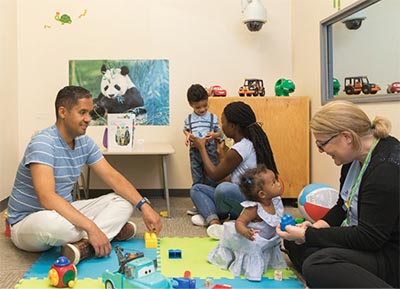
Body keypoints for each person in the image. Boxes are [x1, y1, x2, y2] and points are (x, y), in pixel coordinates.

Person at [7, 86, 162, 265]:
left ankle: (86, 245)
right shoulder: (43, 142)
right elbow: (46, 197)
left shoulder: (84, 142)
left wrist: (144, 206)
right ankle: (108, 231)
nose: (88, 119)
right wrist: (91, 226)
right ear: (63, 112)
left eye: (90, 112)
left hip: (65, 210)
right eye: (82, 112)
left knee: (125, 202)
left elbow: (113, 176)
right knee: (57, 226)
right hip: (29, 221)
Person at [277, 100, 399, 288]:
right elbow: (343, 206)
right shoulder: (353, 158)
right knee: (296, 245)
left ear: (346, 137)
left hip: (389, 253)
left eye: (322, 144)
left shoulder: (385, 168)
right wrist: (315, 228)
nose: (322, 151)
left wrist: (309, 235)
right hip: (368, 240)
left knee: (317, 264)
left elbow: (369, 238)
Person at [189, 101, 278, 239]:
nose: (221, 126)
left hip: (253, 206)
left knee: (223, 189)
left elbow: (214, 175)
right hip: (244, 199)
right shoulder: (249, 143)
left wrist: (201, 148)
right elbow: (230, 177)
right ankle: (214, 222)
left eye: (222, 122)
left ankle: (212, 217)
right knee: (197, 189)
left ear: (232, 126)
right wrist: (220, 155)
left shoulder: (240, 149)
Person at [207, 164, 286, 281]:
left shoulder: (276, 202)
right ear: (262, 194)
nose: (279, 184)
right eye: (274, 182)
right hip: (252, 238)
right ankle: (252, 270)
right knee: (253, 247)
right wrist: (245, 232)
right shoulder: (254, 208)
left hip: (268, 239)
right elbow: (239, 222)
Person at [183, 84, 222, 214]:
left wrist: (214, 135)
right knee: (197, 178)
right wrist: (187, 135)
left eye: (205, 105)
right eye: (198, 107)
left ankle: (213, 204)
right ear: (190, 104)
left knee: (211, 178)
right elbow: (185, 130)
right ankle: (199, 205)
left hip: (210, 150)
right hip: (195, 152)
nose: (202, 109)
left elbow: (220, 133)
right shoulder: (189, 119)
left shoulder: (213, 118)